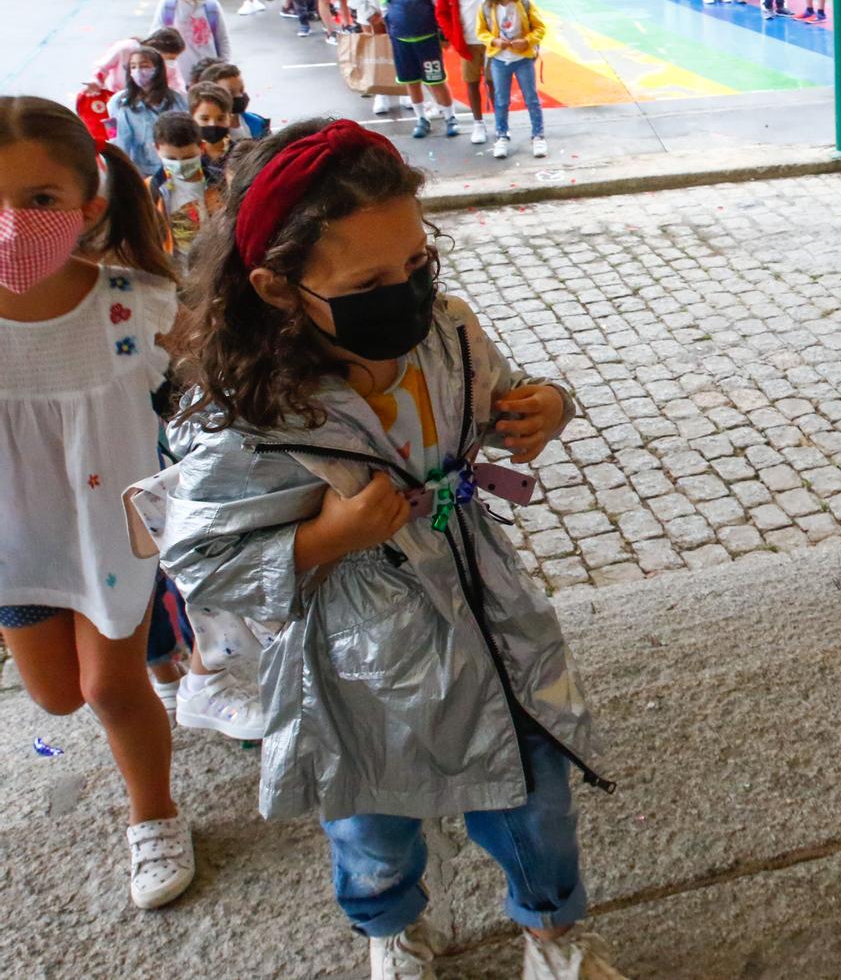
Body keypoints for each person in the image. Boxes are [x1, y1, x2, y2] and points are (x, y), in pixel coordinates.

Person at [157, 118, 624, 979]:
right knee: (368, 809)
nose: (405, 293)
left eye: (416, 265)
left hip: (485, 608)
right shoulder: (253, 408)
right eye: (370, 280)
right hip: (352, 644)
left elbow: (500, 396)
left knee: (531, 786)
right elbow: (202, 558)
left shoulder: (447, 332)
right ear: (277, 285)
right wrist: (329, 536)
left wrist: (546, 407)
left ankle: (553, 934)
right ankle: (391, 925)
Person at [0, 97, 196, 911]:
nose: (12, 226)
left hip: (114, 536)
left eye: (38, 201)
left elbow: (205, 386)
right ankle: (165, 650)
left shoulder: (134, 302)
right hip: (17, 540)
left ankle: (154, 813)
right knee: (56, 695)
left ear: (88, 202)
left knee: (111, 689)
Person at [369, 0, 456, 139]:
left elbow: (440, 4)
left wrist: (444, 35)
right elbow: (385, 8)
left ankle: (450, 117)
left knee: (436, 79)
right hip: (401, 40)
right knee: (410, 81)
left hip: (426, 38)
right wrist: (391, 34)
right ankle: (421, 119)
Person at [477, 0, 549, 161]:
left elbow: (540, 27)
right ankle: (502, 135)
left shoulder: (525, 3)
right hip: (500, 60)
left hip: (523, 59)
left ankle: (538, 135)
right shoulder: (485, 6)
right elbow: (480, 31)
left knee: (531, 98)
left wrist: (527, 41)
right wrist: (493, 41)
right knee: (501, 99)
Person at [435, 0, 492, 145]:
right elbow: (441, 12)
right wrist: (453, 36)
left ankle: (500, 122)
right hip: (467, 42)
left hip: (490, 40)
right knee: (472, 82)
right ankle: (478, 123)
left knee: (493, 82)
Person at [147, 111, 220, 274]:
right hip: (176, 271)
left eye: (188, 157)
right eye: (171, 159)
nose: (180, 165)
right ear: (157, 149)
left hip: (213, 268)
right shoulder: (154, 187)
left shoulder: (218, 181)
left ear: (201, 147)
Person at [108, 46, 187, 179]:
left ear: (157, 69)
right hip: (138, 171)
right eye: (133, 67)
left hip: (172, 169)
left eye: (144, 66)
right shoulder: (118, 102)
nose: (138, 71)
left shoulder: (176, 100)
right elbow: (117, 138)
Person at [152, 0, 230, 88]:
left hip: (210, 74)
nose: (201, 1)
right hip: (179, 77)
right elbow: (155, 39)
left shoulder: (211, 5)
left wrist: (224, 66)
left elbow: (222, 38)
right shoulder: (168, 5)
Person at [187, 84, 238, 172]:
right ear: (191, 118)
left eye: (221, 118)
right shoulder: (185, 156)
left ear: (230, 118)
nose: (213, 124)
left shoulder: (241, 154)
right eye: (204, 119)